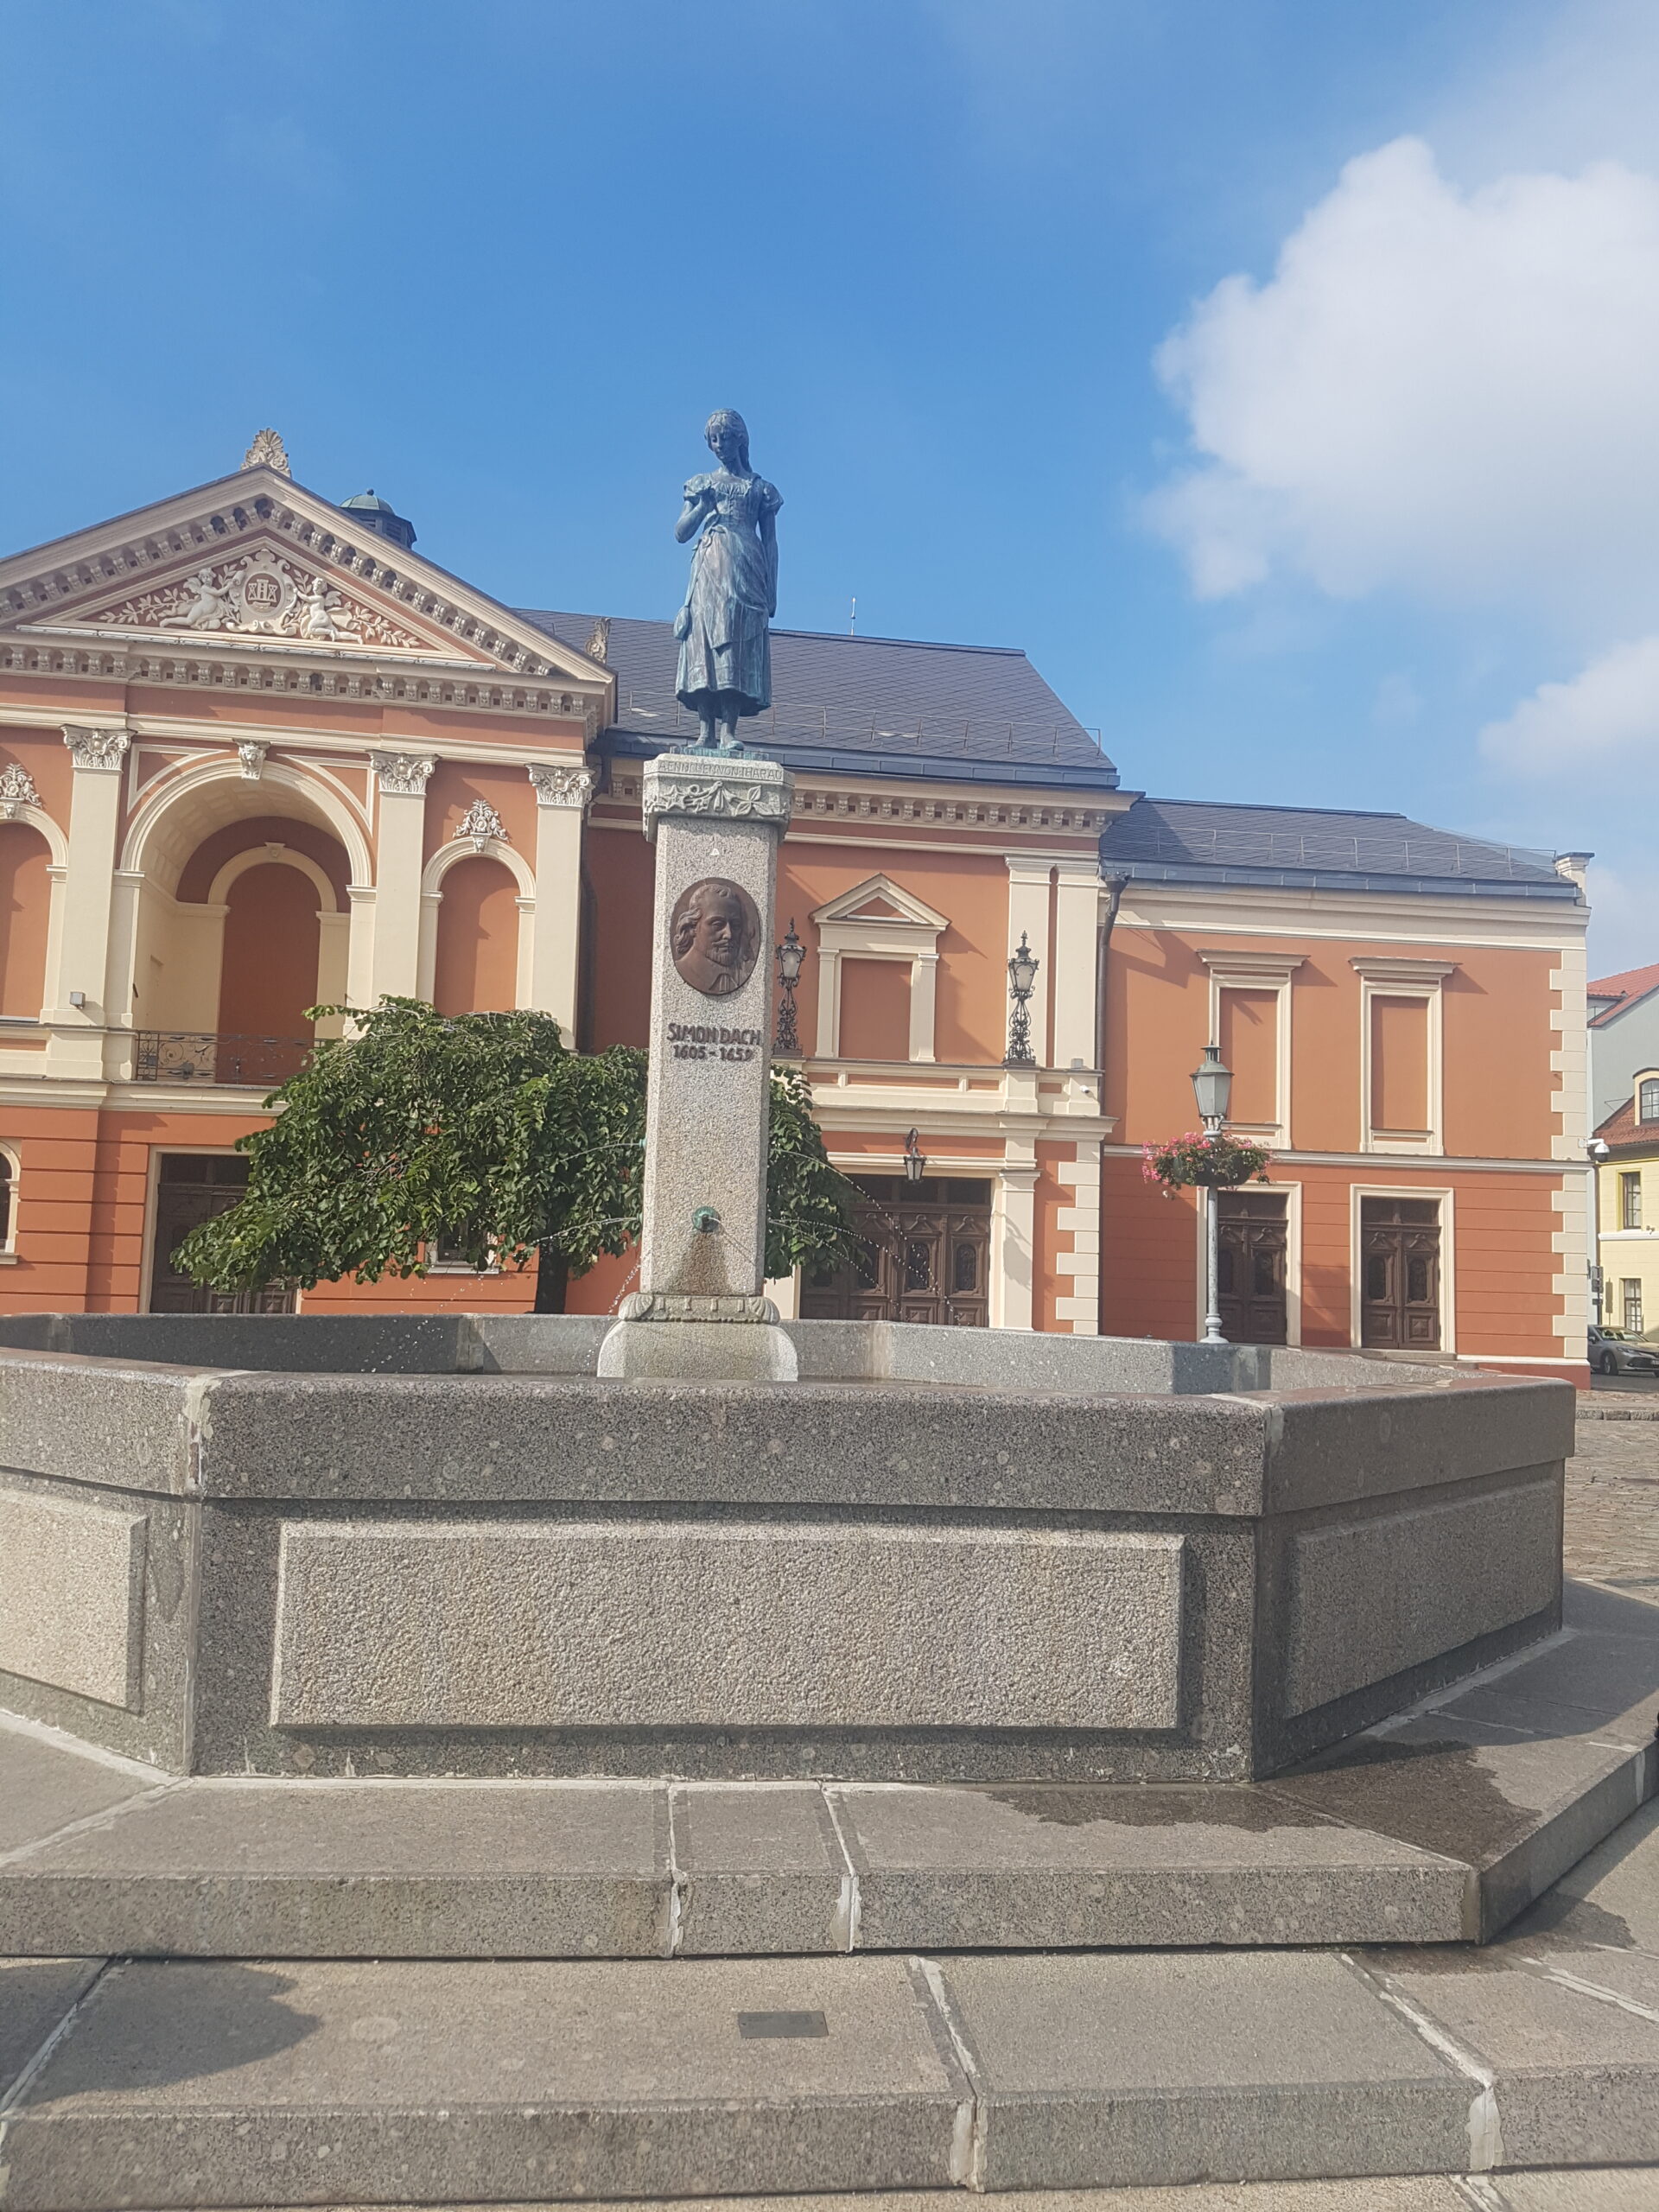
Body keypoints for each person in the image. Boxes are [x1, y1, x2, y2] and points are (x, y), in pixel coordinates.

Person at [673, 410, 781, 752]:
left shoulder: (760, 489)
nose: (719, 446)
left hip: (747, 566)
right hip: (709, 565)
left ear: (741, 439)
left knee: (736, 642)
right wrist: (702, 509)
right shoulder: (702, 483)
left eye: (725, 438)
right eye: (713, 440)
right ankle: (705, 729)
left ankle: (728, 730)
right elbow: (680, 532)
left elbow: (771, 541)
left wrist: (773, 589)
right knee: (704, 639)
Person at [671, 880, 758, 998]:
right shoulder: (685, 969)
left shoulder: (739, 975)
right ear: (692, 927)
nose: (729, 934)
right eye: (717, 924)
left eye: (736, 925)